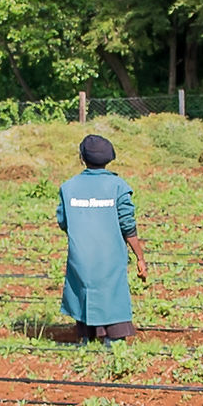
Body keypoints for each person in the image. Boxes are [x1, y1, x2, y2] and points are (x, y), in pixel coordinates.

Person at [55, 134, 146, 341]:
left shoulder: (68, 188)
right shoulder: (118, 187)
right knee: (111, 289)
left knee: (84, 287)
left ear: (82, 158)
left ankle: (87, 336)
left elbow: (63, 221)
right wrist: (140, 257)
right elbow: (128, 226)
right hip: (110, 254)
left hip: (81, 254)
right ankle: (112, 338)